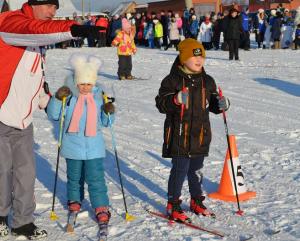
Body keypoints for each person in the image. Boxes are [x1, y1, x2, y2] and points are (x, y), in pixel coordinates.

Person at [0, 0, 103, 239]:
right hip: (1, 115)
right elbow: (35, 31)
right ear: (35, 4)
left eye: (56, 8)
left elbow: (34, 76)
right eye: (49, 6)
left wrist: (47, 103)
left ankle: (23, 222)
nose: (53, 12)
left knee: (26, 173)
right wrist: (73, 29)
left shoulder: (36, 44)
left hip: (23, 120)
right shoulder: (10, 23)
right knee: (2, 171)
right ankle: (1, 216)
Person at [155, 38, 230, 222]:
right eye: (194, 57)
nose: (199, 61)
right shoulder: (172, 80)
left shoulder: (207, 81)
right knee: (180, 170)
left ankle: (196, 199)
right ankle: (173, 204)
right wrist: (175, 99)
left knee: (196, 170)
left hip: (200, 135)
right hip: (180, 135)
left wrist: (222, 104)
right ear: (182, 59)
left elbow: (213, 104)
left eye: (202, 57)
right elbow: (161, 104)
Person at [47, 54, 115, 239]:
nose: (85, 87)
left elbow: (106, 122)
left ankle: (101, 207)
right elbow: (53, 115)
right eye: (82, 83)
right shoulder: (69, 98)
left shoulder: (99, 97)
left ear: (93, 83)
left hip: (94, 147)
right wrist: (56, 98)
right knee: (74, 177)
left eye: (89, 83)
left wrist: (109, 112)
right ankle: (74, 201)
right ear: (76, 82)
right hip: (72, 145)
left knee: (96, 179)